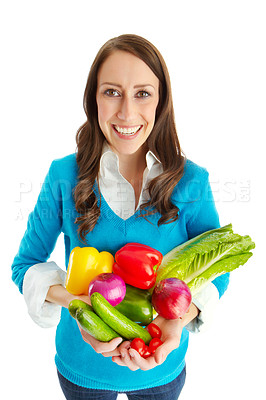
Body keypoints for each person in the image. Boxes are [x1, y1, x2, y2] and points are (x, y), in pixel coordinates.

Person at [11, 34, 229, 400]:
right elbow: (26, 264)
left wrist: (176, 320)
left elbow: (218, 268)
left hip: (160, 367)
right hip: (82, 369)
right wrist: (80, 309)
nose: (126, 113)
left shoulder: (191, 182)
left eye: (142, 93)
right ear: (92, 98)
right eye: (111, 92)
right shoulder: (64, 175)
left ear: (161, 102)